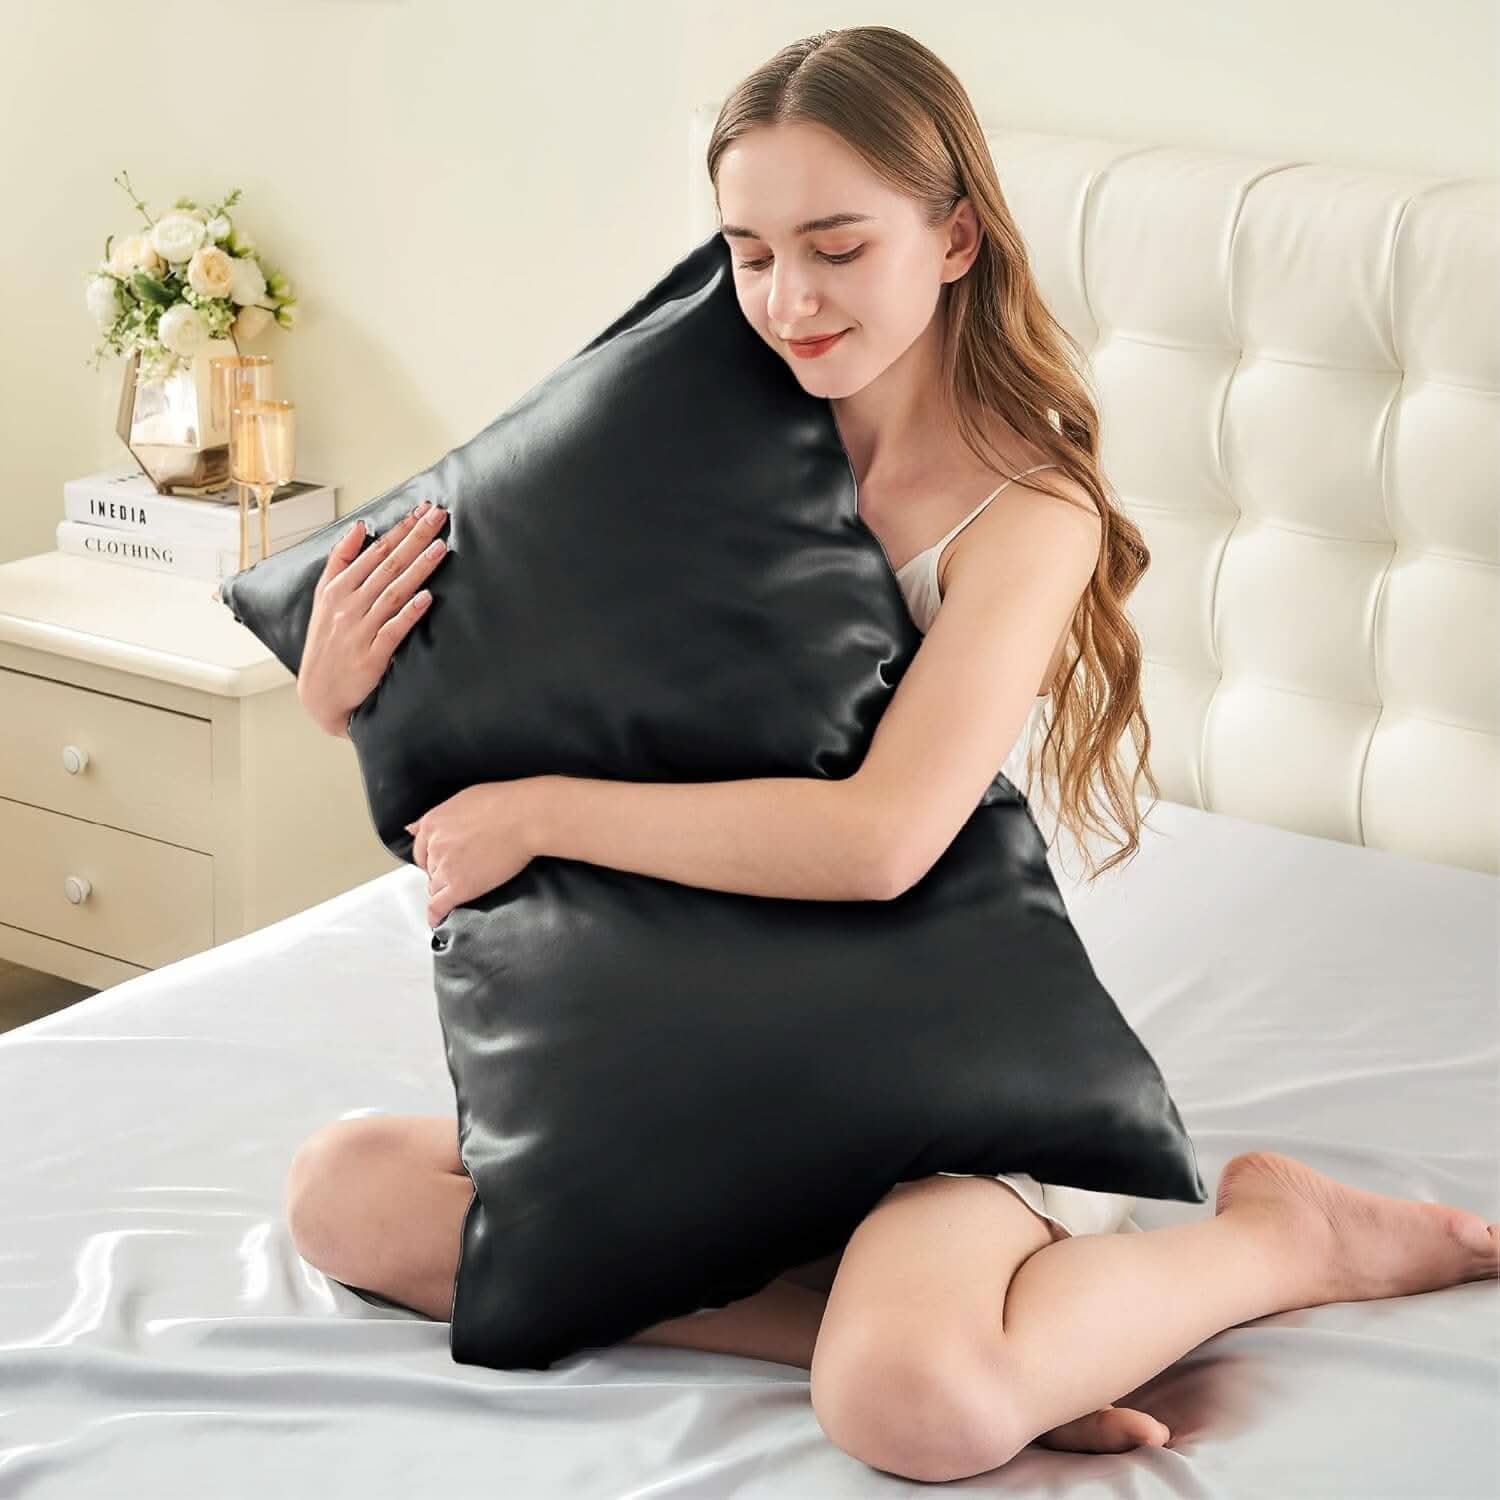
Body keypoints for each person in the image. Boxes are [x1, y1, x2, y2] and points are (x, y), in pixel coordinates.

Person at [285, 25, 1499, 1484]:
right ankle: (938, 1335)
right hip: (709, 1043)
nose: (787, 299)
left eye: (838, 246)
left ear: (955, 238)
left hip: (946, 1088)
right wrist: (346, 690)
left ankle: (1273, 1240)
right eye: (746, 252)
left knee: (908, 1411)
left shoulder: (1024, 510)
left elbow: (881, 840)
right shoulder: (680, 446)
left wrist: (544, 813)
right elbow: (557, 699)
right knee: (346, 1196)